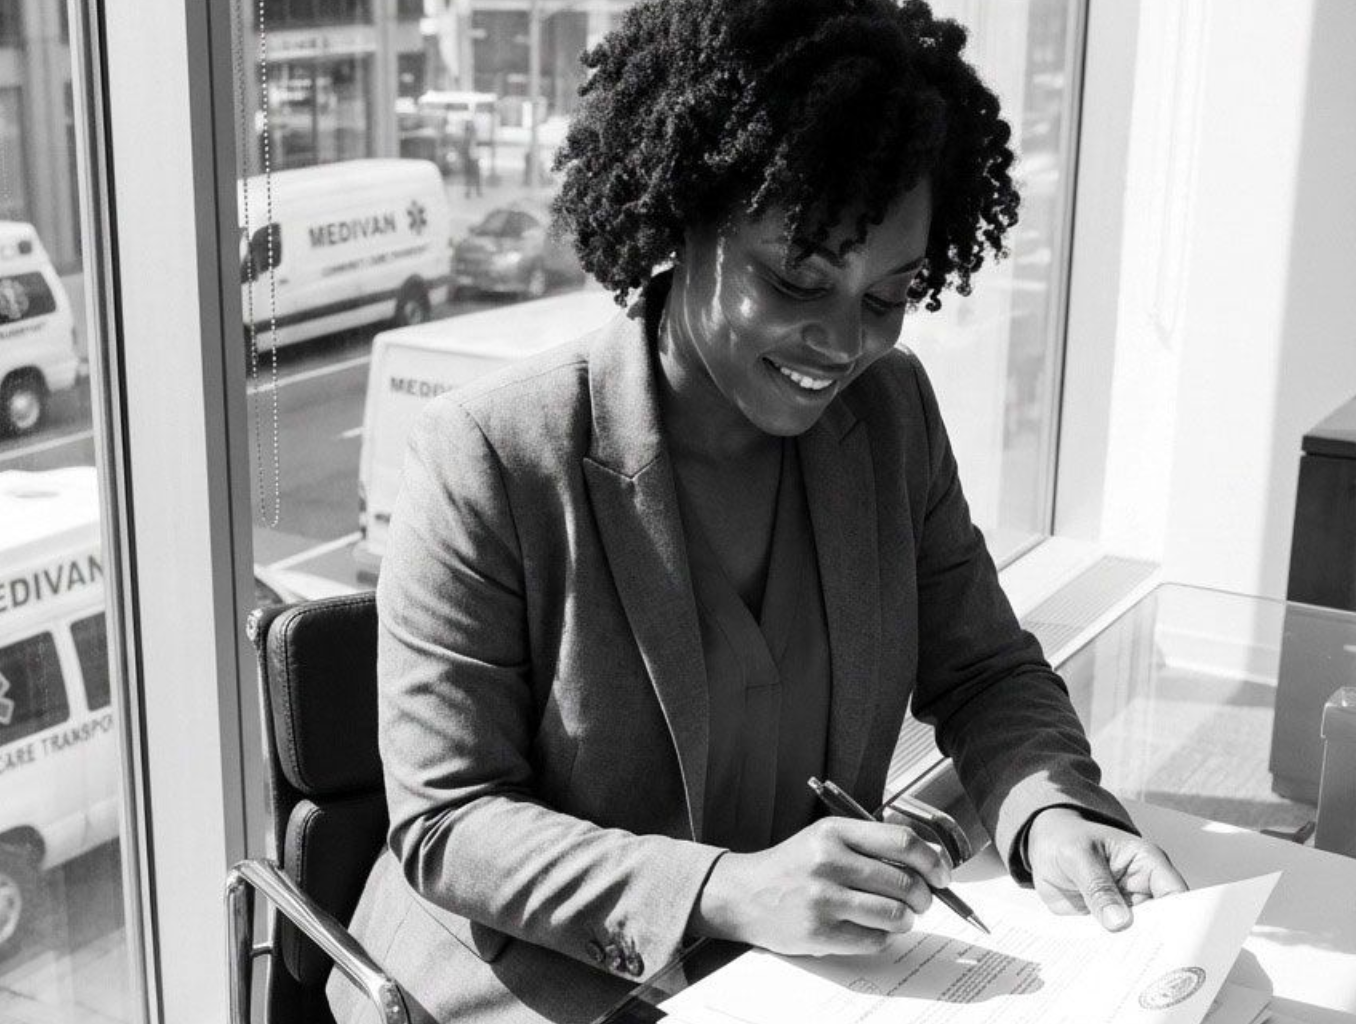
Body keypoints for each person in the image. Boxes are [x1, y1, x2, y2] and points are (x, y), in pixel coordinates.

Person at [329, 2, 1188, 1022]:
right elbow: (449, 822)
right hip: (525, 986)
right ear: (686, 219)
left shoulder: (892, 416)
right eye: (796, 280)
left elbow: (986, 669)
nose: (844, 341)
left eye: (887, 296)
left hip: (789, 982)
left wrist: (1049, 809)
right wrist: (725, 890)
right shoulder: (490, 454)